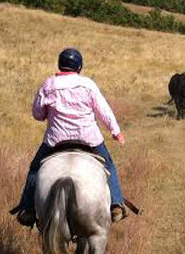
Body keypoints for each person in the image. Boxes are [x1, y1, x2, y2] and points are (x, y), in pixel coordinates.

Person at [10, 48, 127, 227]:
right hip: (89, 139)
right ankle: (116, 204)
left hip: (56, 140)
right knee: (109, 165)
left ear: (59, 64)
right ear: (79, 67)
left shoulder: (48, 85)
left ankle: (28, 208)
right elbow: (104, 111)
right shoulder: (88, 84)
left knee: (35, 169)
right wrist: (116, 132)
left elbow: (37, 114)